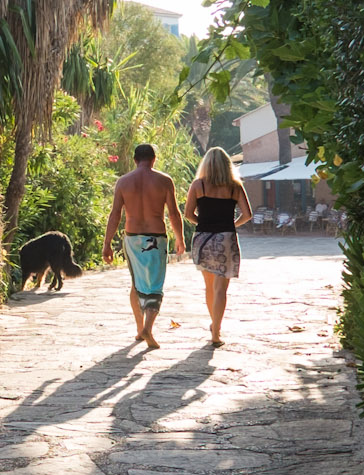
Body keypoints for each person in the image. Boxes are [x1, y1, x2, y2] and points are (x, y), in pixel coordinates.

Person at [102, 143, 184, 348]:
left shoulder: (123, 182)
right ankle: (148, 328)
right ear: (154, 159)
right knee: (155, 285)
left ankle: (140, 329)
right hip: (156, 237)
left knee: (136, 283)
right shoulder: (164, 181)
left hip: (132, 238)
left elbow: (115, 215)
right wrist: (180, 239)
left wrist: (107, 244)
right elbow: (174, 213)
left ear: (135, 160)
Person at [182, 147, 253, 346]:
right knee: (221, 289)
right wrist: (230, 225)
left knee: (209, 287)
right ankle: (216, 332)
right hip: (226, 239)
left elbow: (188, 214)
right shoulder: (235, 187)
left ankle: (214, 324)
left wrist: (204, 223)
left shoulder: (198, 185)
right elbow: (247, 215)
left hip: (203, 239)